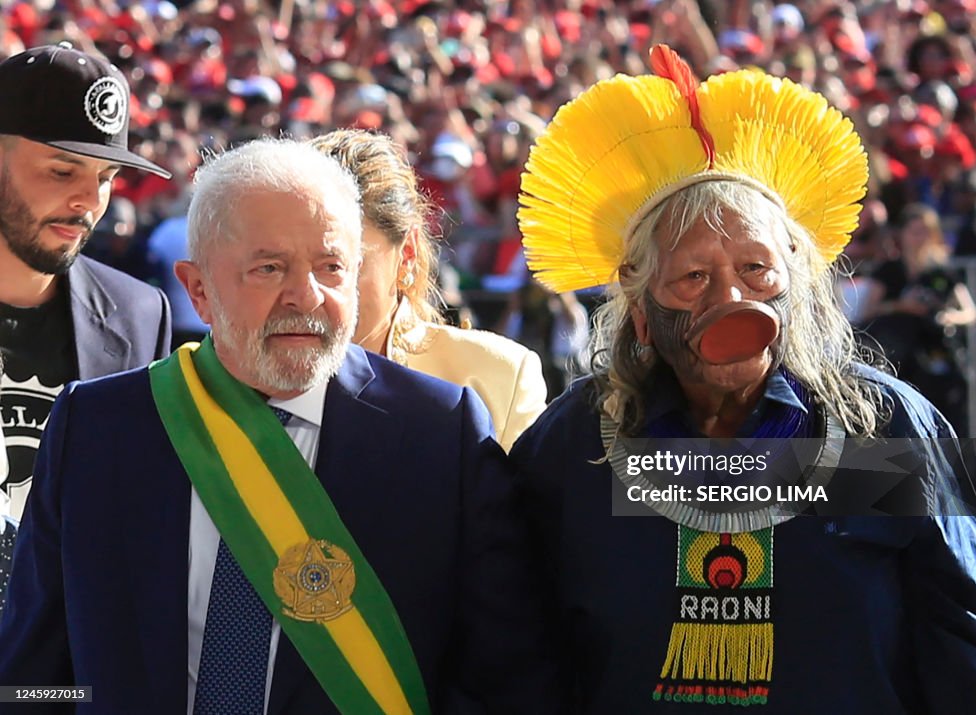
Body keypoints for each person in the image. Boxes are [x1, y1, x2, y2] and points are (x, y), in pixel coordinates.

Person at [511, 45, 976, 713]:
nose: (731, 298)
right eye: (693, 277)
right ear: (643, 311)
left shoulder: (881, 428)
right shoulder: (574, 447)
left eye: (756, 269)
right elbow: (521, 655)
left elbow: (955, 637)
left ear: (795, 287)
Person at [0, 138, 558, 714]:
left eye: (331, 267)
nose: (306, 295)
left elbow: (506, 679)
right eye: (270, 268)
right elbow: (34, 675)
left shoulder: (441, 434)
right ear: (197, 290)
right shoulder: (97, 427)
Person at [0, 43, 172, 614]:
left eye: (106, 176)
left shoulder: (141, 314)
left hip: (63, 682)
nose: (87, 201)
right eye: (62, 170)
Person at [308, 128, 547, 451]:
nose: (308, 292)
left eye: (336, 265)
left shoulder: (495, 377)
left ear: (406, 254)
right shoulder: (239, 381)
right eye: (277, 266)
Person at [859, 203, 976, 436]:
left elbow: (969, 311)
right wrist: (901, 306)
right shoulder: (890, 270)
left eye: (924, 231)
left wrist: (947, 316)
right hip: (898, 357)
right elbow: (868, 310)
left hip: (933, 353)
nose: (918, 238)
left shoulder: (939, 271)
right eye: (914, 231)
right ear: (901, 234)